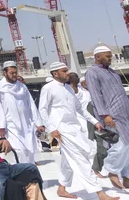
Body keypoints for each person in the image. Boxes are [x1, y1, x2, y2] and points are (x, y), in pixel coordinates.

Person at [39, 61, 118, 200]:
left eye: (67, 70)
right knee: (81, 160)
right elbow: (43, 110)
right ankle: (99, 193)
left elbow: (79, 109)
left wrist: (95, 122)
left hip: (74, 128)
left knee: (69, 160)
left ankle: (61, 188)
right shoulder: (48, 88)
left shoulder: (68, 89)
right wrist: (52, 129)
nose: (67, 73)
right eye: (64, 71)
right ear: (55, 73)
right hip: (62, 130)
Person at [86, 45, 129, 189]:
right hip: (111, 115)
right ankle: (111, 170)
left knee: (128, 145)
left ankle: (126, 175)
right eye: (108, 56)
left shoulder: (112, 71)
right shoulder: (92, 72)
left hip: (124, 114)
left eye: (111, 56)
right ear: (98, 57)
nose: (111, 58)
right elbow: (96, 95)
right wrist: (105, 115)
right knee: (120, 145)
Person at [0, 61, 45, 165]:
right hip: (11, 125)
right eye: (12, 73)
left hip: (26, 124)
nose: (14, 75)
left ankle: (31, 174)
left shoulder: (22, 87)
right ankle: (23, 174)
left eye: (15, 72)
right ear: (5, 73)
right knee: (19, 150)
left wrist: (39, 123)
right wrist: (0, 126)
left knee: (30, 150)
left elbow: (31, 105)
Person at [83, 76, 108, 178]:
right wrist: (91, 133)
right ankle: (96, 169)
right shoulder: (91, 104)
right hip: (99, 129)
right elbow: (90, 120)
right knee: (102, 149)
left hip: (111, 128)